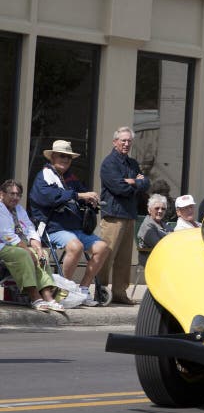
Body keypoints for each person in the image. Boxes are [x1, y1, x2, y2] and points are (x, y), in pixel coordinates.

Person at [28, 140, 109, 306]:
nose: (65, 160)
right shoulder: (44, 175)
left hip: (74, 228)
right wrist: (79, 196)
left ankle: (84, 289)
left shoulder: (70, 177)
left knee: (102, 247)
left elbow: (80, 194)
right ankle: (64, 289)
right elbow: (51, 197)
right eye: (62, 156)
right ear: (53, 157)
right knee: (76, 246)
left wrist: (90, 201)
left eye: (69, 157)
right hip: (52, 228)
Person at [100, 126, 150, 305]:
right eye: (123, 140)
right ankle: (100, 290)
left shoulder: (133, 163)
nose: (126, 144)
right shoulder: (109, 163)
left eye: (129, 141)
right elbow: (119, 188)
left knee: (124, 258)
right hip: (113, 215)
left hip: (129, 215)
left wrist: (133, 182)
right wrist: (136, 183)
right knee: (106, 255)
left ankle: (120, 293)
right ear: (115, 142)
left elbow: (146, 183)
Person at [0, 180, 64, 312]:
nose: (15, 197)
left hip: (17, 245)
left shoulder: (19, 209)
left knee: (42, 255)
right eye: (12, 194)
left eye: (18, 194)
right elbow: (7, 236)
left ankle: (48, 297)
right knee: (24, 254)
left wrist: (38, 249)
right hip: (3, 245)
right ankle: (34, 297)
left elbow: (30, 229)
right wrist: (28, 251)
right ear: (2, 194)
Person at [137, 194, 173, 267]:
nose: (160, 211)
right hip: (151, 263)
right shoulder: (147, 226)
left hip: (164, 261)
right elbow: (159, 245)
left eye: (163, 209)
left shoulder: (165, 225)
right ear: (149, 210)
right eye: (157, 208)